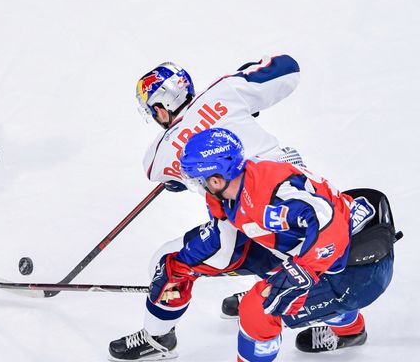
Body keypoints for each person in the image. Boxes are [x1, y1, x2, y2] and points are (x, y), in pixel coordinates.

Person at [109, 55, 303, 360]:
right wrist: (244, 82)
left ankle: (158, 338)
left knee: (167, 263)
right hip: (302, 200)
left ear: (161, 109)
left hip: (246, 220)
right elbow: (288, 69)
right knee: (311, 249)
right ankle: (342, 324)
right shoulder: (225, 91)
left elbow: (160, 172)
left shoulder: (161, 153)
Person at [147, 128, 395, 361]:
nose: (196, 185)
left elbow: (329, 223)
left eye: (197, 180)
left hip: (359, 272)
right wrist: (179, 265)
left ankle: (344, 319)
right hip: (331, 253)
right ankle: (351, 332)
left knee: (257, 311)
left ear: (215, 180)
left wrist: (302, 273)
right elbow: (222, 241)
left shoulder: (269, 197)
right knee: (269, 266)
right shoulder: (236, 189)